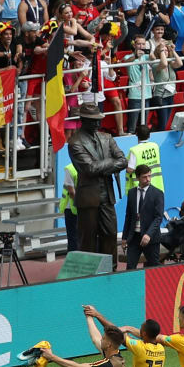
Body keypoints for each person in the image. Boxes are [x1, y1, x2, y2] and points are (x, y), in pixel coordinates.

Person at [69, 104, 129, 257]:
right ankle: (89, 274)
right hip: (88, 199)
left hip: (107, 196)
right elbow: (89, 169)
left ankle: (110, 269)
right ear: (83, 120)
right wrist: (110, 162)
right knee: (87, 240)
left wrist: (102, 165)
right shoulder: (75, 142)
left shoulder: (106, 137)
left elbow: (123, 161)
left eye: (98, 120)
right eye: (93, 120)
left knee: (110, 234)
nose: (98, 123)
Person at [123, 164, 165, 269]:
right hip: (134, 238)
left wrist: (148, 234)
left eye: (149, 176)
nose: (148, 179)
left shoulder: (157, 193)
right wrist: (124, 237)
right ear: (137, 178)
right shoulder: (131, 193)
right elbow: (128, 216)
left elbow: (158, 217)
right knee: (130, 268)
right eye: (144, 177)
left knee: (154, 267)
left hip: (151, 239)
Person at [126, 124, 165, 192]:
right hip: (157, 186)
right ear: (149, 135)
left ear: (136, 134)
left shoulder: (134, 150)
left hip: (141, 188)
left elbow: (130, 170)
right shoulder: (155, 146)